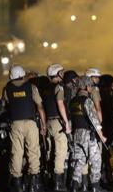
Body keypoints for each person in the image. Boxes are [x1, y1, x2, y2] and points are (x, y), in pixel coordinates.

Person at [2, 65, 47, 192]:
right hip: (30, 123)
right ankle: (34, 184)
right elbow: (40, 106)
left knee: (16, 153)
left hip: (15, 124)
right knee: (33, 151)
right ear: (22, 74)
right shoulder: (31, 87)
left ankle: (17, 183)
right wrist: (43, 125)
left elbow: (5, 104)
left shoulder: (7, 89)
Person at [69, 76, 107, 192]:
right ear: (85, 86)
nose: (91, 88)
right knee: (96, 160)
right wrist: (101, 136)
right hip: (87, 134)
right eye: (90, 85)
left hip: (77, 134)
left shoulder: (73, 101)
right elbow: (94, 120)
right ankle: (95, 186)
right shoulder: (87, 101)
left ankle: (74, 185)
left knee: (79, 161)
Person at [42, 64, 71, 192]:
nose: (63, 74)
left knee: (50, 151)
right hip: (58, 123)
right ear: (57, 73)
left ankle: (49, 179)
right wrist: (66, 122)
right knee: (60, 151)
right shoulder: (59, 87)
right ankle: (58, 184)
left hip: (48, 123)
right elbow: (60, 104)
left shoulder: (44, 88)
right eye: (61, 72)